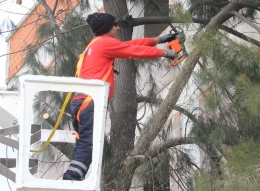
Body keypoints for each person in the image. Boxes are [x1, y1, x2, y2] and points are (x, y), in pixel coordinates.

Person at [62, 12, 178, 181]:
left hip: (81, 102)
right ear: (107, 27)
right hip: (89, 103)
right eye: (114, 25)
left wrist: (160, 39)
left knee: (84, 142)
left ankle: (73, 176)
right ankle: (72, 178)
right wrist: (165, 53)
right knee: (88, 143)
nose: (117, 28)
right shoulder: (104, 43)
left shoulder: (96, 44)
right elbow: (133, 50)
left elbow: (131, 44)